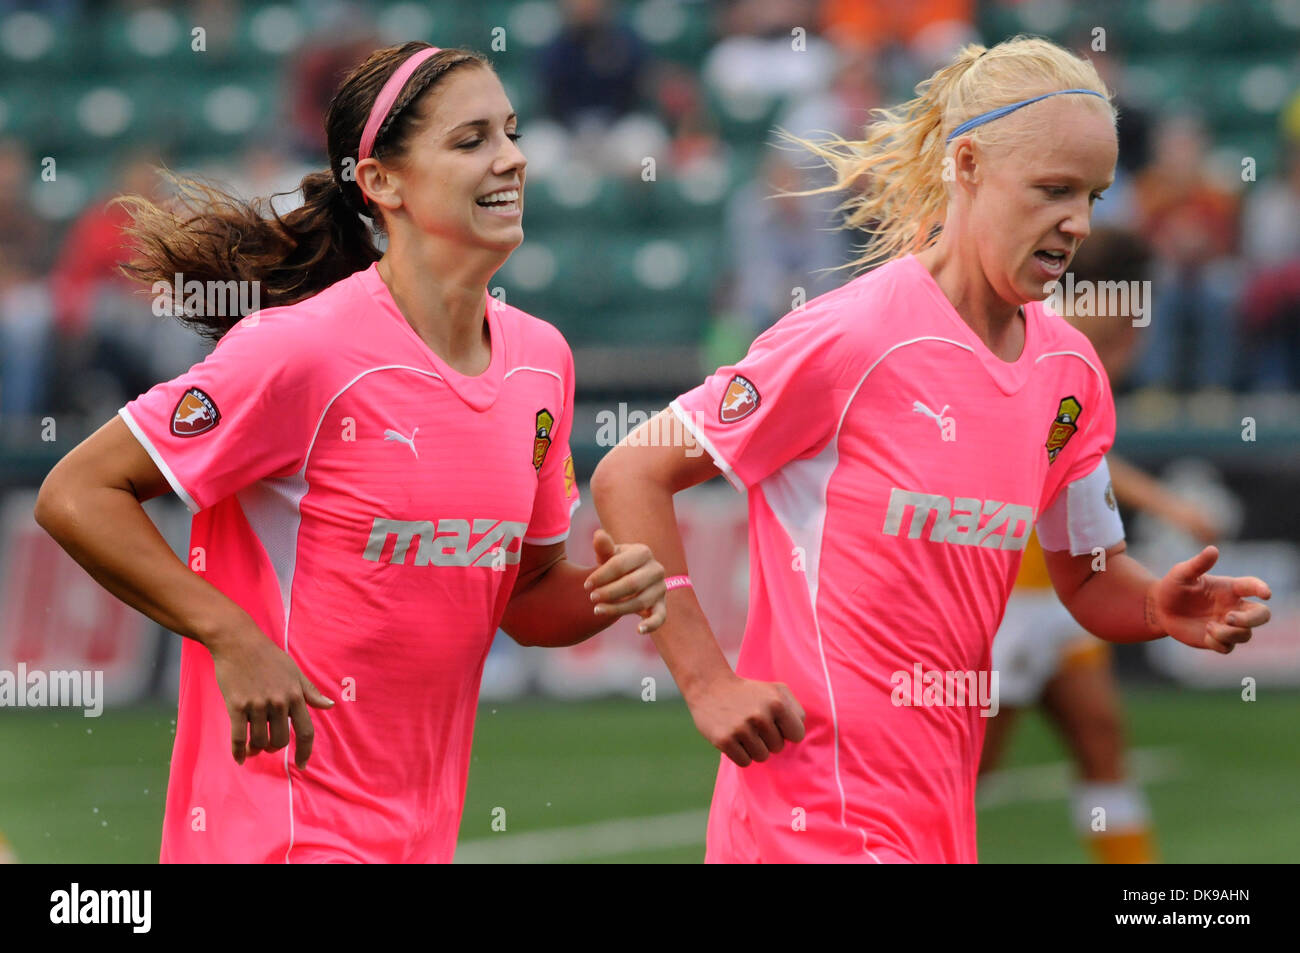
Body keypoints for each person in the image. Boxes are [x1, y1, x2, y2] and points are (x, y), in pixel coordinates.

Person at [590, 36, 1272, 863]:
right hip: (809, 815)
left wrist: (1158, 607)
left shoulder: (1070, 373)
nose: (1078, 223)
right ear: (970, 164)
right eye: (1054, 189)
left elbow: (1089, 577)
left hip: (936, 824)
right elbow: (633, 469)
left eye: (1093, 195)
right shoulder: (851, 335)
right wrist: (706, 679)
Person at [34, 42, 666, 864]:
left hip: (418, 839)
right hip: (279, 833)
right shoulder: (299, 352)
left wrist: (610, 593)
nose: (512, 158)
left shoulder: (543, 361)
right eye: (471, 139)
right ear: (381, 183)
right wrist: (230, 633)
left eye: (511, 132)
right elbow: (75, 492)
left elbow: (529, 595)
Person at [980, 228, 1221, 865]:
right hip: (1003, 600)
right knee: (965, 775)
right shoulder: (1027, 342)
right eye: (1123, 328)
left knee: (1103, 746)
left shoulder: (1073, 355)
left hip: (1064, 597)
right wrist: (1168, 504)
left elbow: (1083, 455)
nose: (1131, 346)